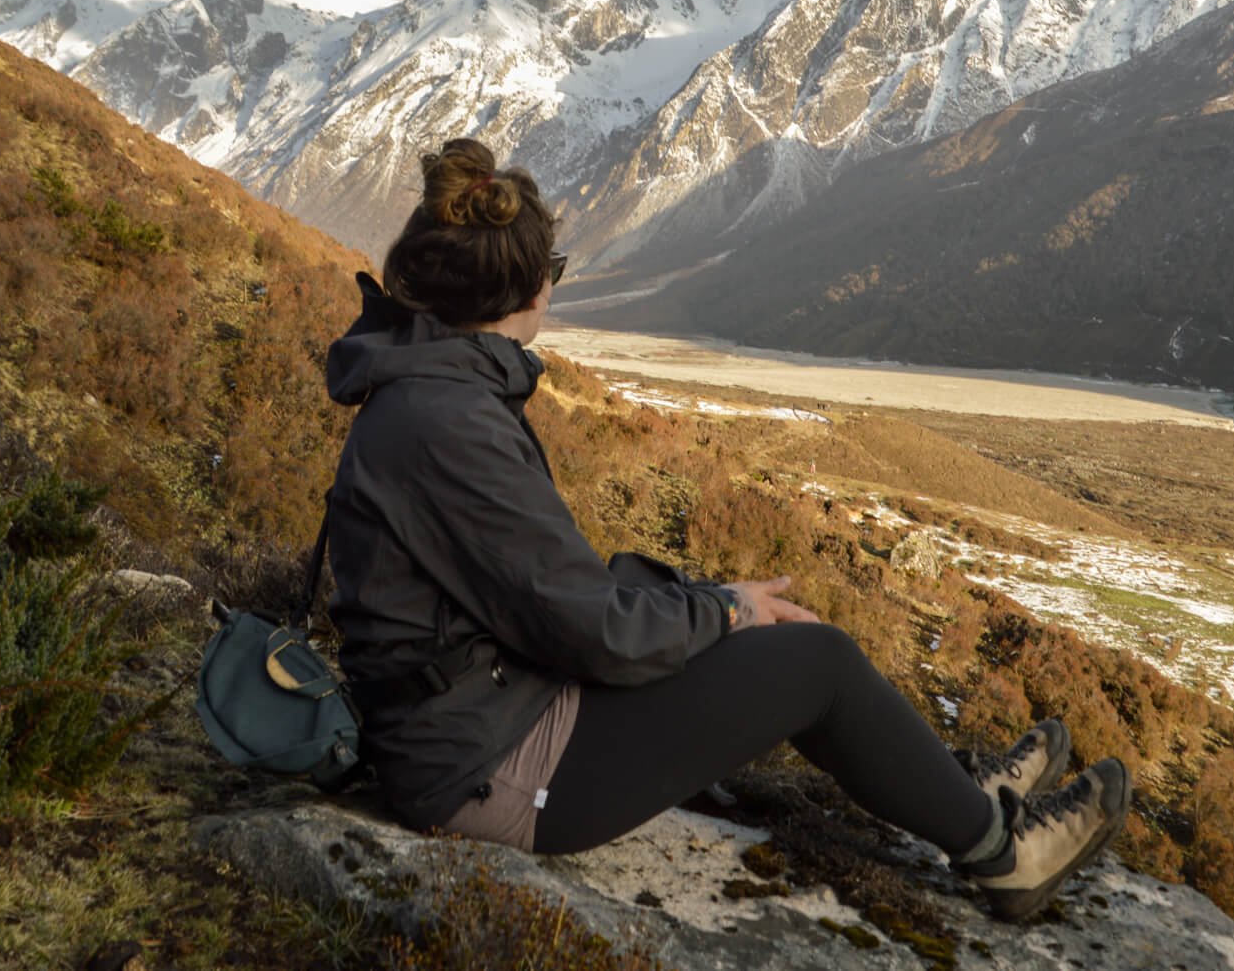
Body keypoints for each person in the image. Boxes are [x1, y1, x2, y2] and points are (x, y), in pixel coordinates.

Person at [320, 137, 1129, 921]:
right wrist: (728, 610)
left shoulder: (432, 387)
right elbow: (595, 630)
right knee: (818, 665)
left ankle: (955, 792)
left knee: (687, 606)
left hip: (479, 715)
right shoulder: (449, 420)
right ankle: (1006, 857)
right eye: (553, 273)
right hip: (485, 765)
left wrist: (712, 609)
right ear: (525, 291)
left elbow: (548, 599)